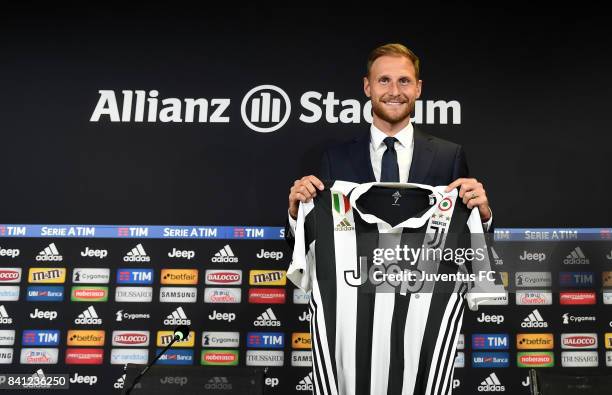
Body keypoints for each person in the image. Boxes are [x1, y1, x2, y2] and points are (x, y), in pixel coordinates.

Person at [285, 43, 492, 244]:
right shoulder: (335, 158)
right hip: (357, 278)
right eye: (384, 80)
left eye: (404, 81)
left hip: (422, 277)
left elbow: (467, 242)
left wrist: (482, 217)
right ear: (367, 87)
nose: (394, 91)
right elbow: (317, 241)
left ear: (418, 88)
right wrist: (297, 215)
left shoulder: (449, 156)